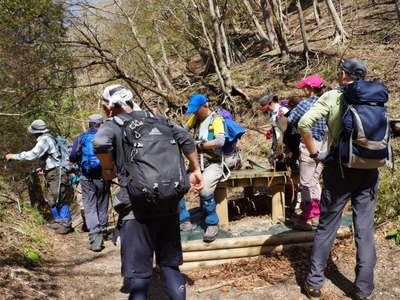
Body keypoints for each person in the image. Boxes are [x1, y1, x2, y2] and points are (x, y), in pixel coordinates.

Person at [93, 84, 203, 300]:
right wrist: (196, 169)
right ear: (132, 100)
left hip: (135, 209)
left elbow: (100, 143)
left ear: (108, 107)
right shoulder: (159, 119)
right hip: (169, 204)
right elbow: (187, 140)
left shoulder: (114, 124)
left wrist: (107, 169)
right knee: (170, 267)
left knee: (140, 277)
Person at [298, 59, 378, 300]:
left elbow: (303, 123)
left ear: (344, 75)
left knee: (327, 227)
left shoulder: (333, 96)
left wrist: (314, 153)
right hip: (369, 168)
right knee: (364, 230)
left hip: (339, 169)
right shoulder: (374, 97)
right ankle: (363, 290)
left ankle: (314, 284)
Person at [5, 120, 72, 234]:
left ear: (36, 132)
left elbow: (33, 154)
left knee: (59, 197)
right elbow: (53, 157)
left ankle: (65, 224)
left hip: (56, 172)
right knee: (53, 197)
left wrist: (14, 156)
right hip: (53, 171)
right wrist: (44, 169)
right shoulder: (49, 138)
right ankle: (58, 221)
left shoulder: (44, 139)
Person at [180, 94, 225, 242]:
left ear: (205, 106)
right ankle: (183, 220)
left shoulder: (216, 119)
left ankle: (212, 223)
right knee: (178, 184)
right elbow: (183, 131)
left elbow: (220, 141)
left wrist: (200, 145)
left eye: (196, 110)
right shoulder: (195, 118)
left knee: (204, 188)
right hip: (197, 162)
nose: (194, 113)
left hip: (214, 162)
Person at [287, 75, 328, 230]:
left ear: (310, 89)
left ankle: (307, 218)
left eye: (305, 87)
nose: (303, 90)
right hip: (325, 144)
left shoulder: (305, 105)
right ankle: (317, 214)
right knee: (315, 180)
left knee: (305, 183)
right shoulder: (327, 102)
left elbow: (291, 120)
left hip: (309, 142)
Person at [69, 114, 111, 252]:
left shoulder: (81, 137)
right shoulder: (107, 136)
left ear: (89, 124)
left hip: (86, 176)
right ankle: (103, 230)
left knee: (90, 206)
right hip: (104, 175)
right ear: (101, 124)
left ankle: (95, 237)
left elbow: (73, 156)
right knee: (103, 203)